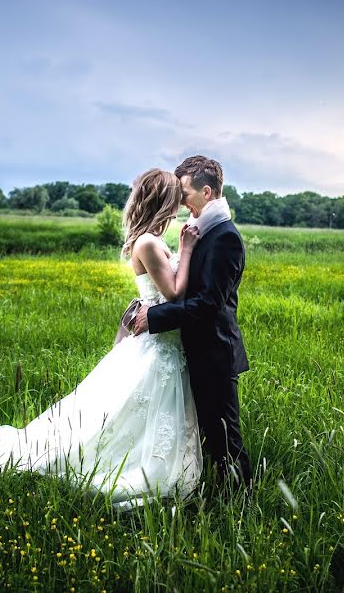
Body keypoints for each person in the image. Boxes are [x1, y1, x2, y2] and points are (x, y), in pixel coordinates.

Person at [0, 169, 202, 509]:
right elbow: (173, 293)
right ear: (165, 200)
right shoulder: (150, 243)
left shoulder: (151, 239)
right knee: (120, 415)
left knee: (134, 414)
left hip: (162, 344)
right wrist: (188, 248)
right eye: (177, 196)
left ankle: (142, 457)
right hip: (154, 345)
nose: (183, 201)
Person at [132, 156, 252, 491]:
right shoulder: (203, 231)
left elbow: (210, 304)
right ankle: (209, 491)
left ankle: (241, 502)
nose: (180, 200)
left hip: (214, 352)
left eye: (185, 192)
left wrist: (155, 316)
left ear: (208, 192)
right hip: (192, 352)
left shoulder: (224, 237)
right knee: (203, 434)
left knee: (225, 436)